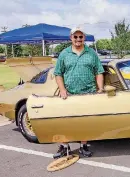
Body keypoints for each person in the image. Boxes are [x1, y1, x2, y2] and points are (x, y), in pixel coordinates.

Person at [53, 27, 105, 158]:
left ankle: (83, 146)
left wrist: (100, 89)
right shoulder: (64, 54)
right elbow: (58, 74)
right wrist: (63, 90)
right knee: (65, 122)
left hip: (89, 93)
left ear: (84, 38)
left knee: (85, 122)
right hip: (69, 94)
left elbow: (99, 71)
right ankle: (64, 146)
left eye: (80, 37)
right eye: (75, 37)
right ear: (71, 38)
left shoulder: (91, 53)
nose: (78, 39)